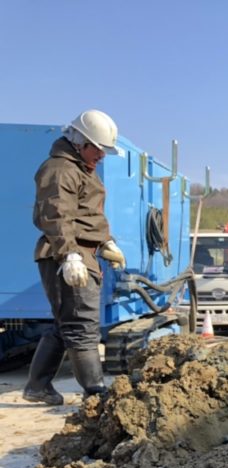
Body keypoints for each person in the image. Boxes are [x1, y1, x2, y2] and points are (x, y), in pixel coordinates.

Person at [22, 109, 126, 405]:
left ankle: (37, 386)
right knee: (81, 326)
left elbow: (86, 215)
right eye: (99, 148)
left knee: (65, 324)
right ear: (80, 142)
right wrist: (70, 255)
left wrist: (105, 242)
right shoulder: (61, 169)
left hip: (80, 252)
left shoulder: (81, 169)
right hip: (67, 253)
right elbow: (56, 215)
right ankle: (95, 394)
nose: (102, 155)